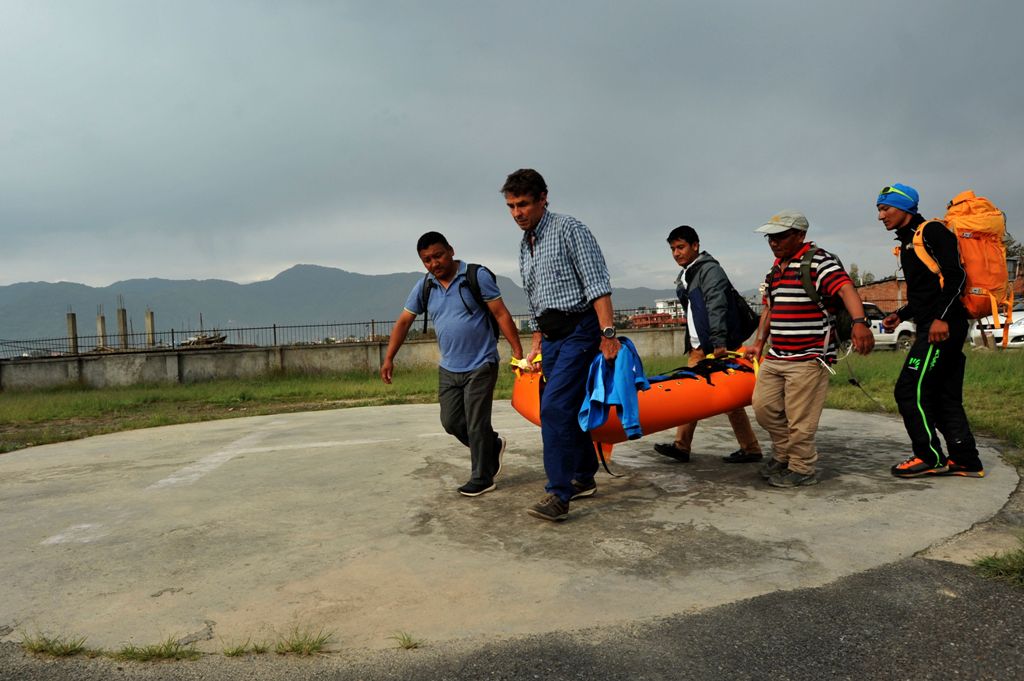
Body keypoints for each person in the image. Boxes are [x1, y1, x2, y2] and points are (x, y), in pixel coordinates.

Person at [502, 168, 620, 521]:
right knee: (566, 408)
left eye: (523, 204)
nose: (517, 213)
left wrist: (608, 335)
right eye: (510, 206)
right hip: (552, 339)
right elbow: (536, 296)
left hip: (581, 331)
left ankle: (558, 495)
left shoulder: (570, 230)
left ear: (542, 199)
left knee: (553, 409)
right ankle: (583, 476)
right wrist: (537, 340)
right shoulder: (526, 245)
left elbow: (598, 284)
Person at [381, 231, 524, 497]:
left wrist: (517, 352)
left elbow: (501, 313)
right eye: (427, 260)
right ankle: (491, 447)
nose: (434, 263)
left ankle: (482, 477)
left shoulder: (475, 276)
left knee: (476, 423)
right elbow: (403, 322)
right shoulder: (425, 286)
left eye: (438, 255)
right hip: (449, 367)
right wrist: (389, 357)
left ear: (451, 250)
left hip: (482, 362)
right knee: (451, 422)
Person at [744, 210, 874, 488]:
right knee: (763, 408)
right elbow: (769, 308)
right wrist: (758, 343)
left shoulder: (818, 262)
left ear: (800, 235)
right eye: (770, 237)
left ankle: (802, 468)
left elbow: (845, 289)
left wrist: (860, 323)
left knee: (800, 418)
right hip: (776, 354)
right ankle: (783, 455)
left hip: (809, 356)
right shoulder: (776, 269)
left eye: (781, 237)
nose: (774, 243)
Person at [876, 183, 984, 478]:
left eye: (885, 208)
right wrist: (900, 315)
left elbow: (956, 277)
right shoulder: (909, 242)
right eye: (879, 209)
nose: (880, 216)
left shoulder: (932, 231)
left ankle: (929, 456)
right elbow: (926, 292)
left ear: (905, 208)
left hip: (943, 328)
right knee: (942, 395)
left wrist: (941, 319)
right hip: (935, 323)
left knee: (908, 390)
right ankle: (966, 459)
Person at [652, 225, 764, 464]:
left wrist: (719, 340)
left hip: (714, 346)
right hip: (699, 347)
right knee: (695, 396)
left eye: (681, 247)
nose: (676, 253)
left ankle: (749, 448)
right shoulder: (690, 273)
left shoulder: (709, 270)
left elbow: (716, 304)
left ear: (695, 246)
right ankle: (684, 446)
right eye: (672, 249)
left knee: (725, 398)